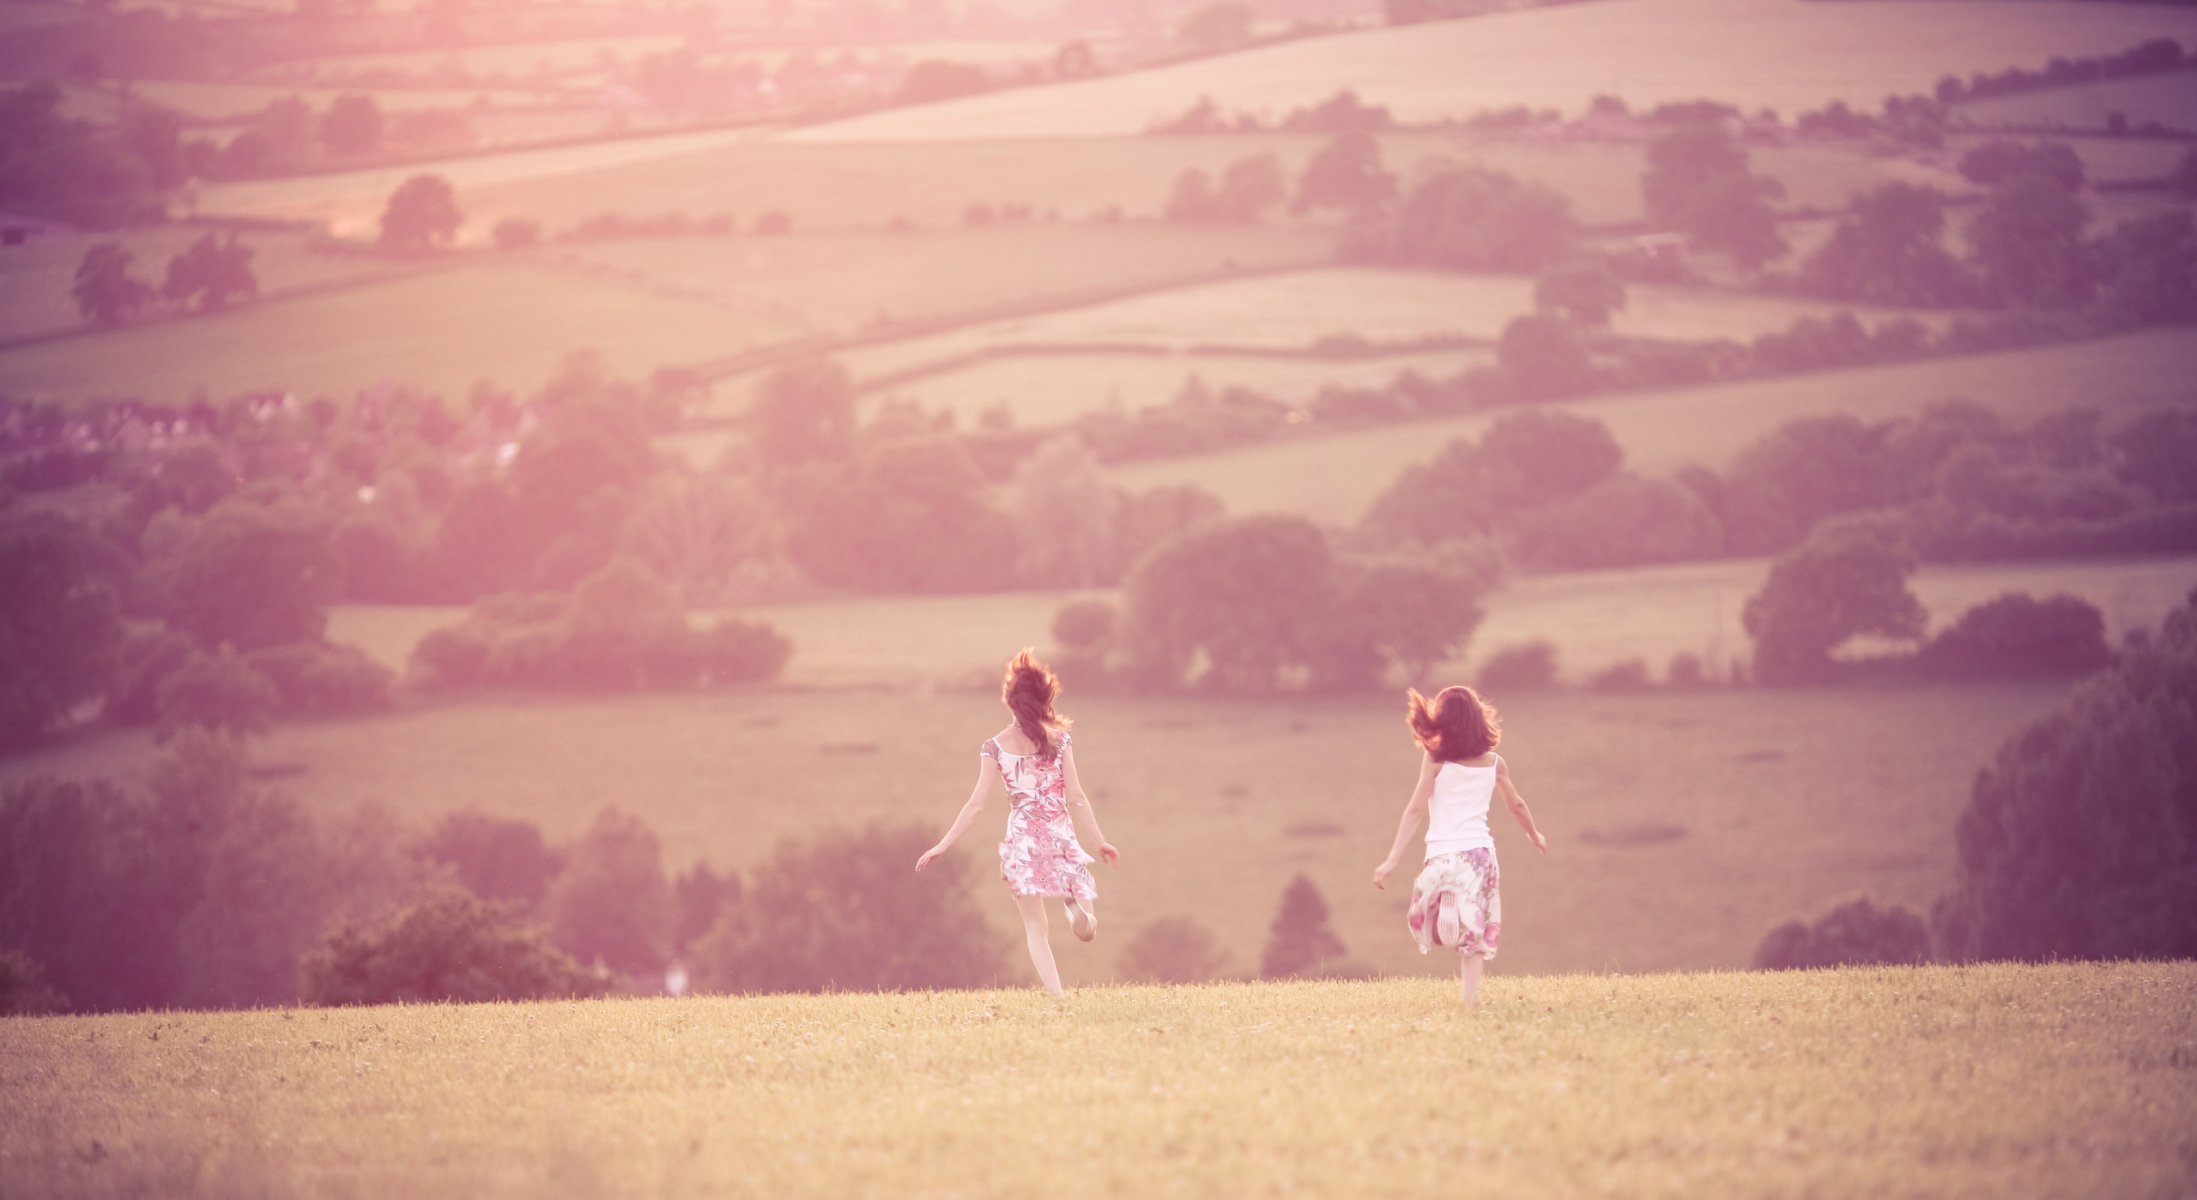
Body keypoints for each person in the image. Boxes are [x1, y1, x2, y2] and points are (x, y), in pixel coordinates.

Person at [916, 649, 1119, 998]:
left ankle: (1059, 998)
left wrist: (941, 845)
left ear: (1009, 701)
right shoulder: (1060, 740)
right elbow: (1077, 796)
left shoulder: (994, 748)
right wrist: (1100, 840)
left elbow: (975, 805)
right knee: (1087, 932)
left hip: (1022, 842)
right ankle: (1077, 909)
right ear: (1045, 698)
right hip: (1058, 835)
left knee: (1035, 928)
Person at [1372, 684, 1547, 1006]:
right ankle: (1469, 1003)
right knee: (1474, 936)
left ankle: (1443, 905)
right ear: (1478, 719)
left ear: (1445, 721)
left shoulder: (1436, 760)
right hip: (1480, 854)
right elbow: (1516, 805)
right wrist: (1533, 834)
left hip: (1442, 852)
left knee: (1430, 915)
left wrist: (1392, 859)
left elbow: (1414, 809)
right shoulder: (1494, 763)